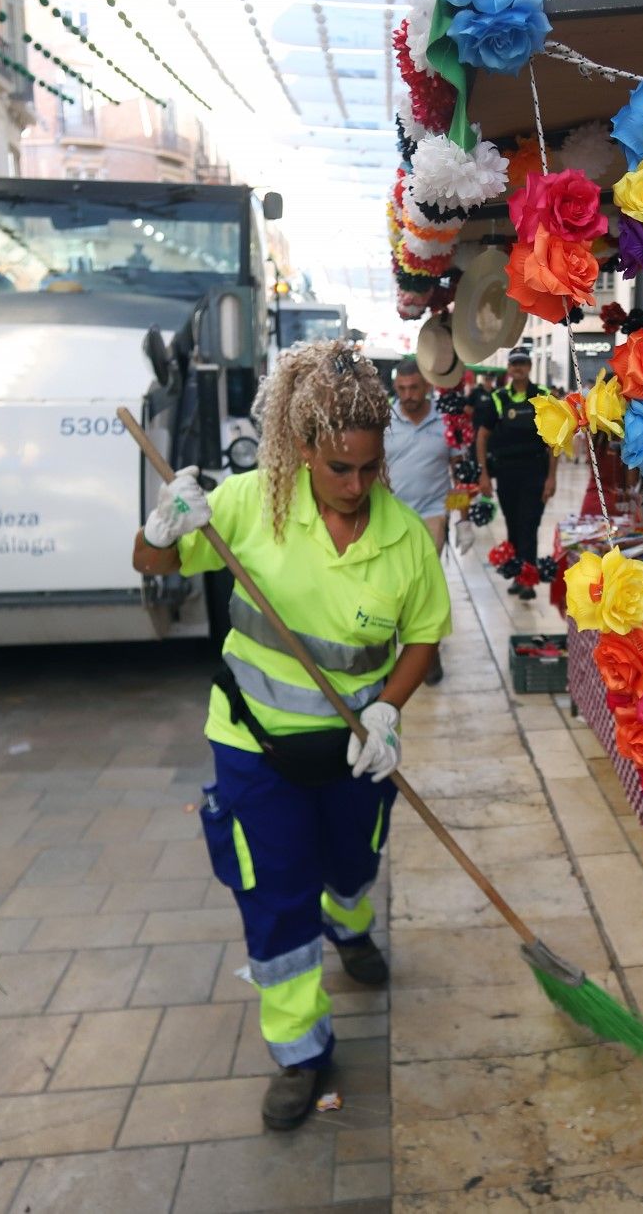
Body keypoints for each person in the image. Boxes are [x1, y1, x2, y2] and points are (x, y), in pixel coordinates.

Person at [131, 340, 450, 1130]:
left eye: (371, 468)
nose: (358, 485)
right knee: (275, 896)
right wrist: (168, 526)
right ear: (304, 448)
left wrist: (388, 710)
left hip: (353, 752)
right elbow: (147, 559)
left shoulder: (404, 537)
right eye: (341, 468)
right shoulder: (246, 505)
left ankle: (351, 921)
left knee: (351, 861)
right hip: (254, 747)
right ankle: (301, 1051)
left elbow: (422, 639)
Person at [384, 358, 453, 684]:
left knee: (424, 587)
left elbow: (463, 471)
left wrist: (463, 515)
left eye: (414, 388)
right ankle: (402, 650)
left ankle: (429, 654)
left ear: (426, 386)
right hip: (391, 516)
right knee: (395, 589)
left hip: (432, 516)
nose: (408, 395)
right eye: (402, 389)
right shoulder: (383, 419)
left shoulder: (447, 420)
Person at [474, 347, 555, 599]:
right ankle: (518, 573)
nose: (518, 368)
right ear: (509, 368)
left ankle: (528, 580)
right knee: (512, 526)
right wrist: (483, 474)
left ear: (530, 366)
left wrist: (552, 478)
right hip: (507, 473)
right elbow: (482, 436)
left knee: (529, 525)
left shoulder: (543, 396)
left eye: (522, 363)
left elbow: (554, 440)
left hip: (535, 472)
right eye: (514, 364)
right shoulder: (499, 398)